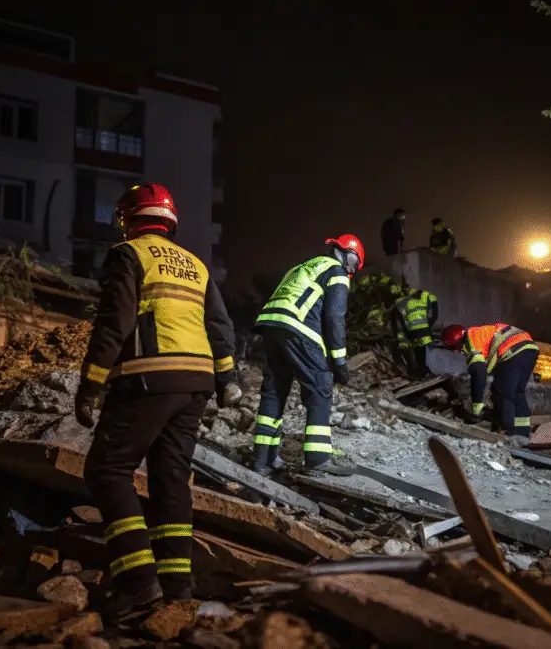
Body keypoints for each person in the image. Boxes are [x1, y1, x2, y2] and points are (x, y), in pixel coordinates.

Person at [73, 183, 242, 618]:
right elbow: (220, 325)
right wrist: (226, 379)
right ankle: (176, 586)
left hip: (149, 377)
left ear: (128, 219)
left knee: (108, 471)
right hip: (197, 382)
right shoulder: (195, 265)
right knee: (170, 480)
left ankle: (137, 583)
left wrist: (91, 384)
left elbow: (115, 322)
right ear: (169, 220)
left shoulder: (128, 255)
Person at [251, 234, 365, 477]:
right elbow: (334, 318)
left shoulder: (305, 265)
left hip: (271, 324)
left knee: (274, 390)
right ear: (347, 254)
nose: (353, 270)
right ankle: (317, 459)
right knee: (320, 385)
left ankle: (262, 460)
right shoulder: (336, 272)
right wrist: (339, 362)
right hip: (297, 326)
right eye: (355, 263)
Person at [440, 323, 539, 444]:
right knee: (517, 392)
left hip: (513, 349)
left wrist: (477, 406)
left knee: (503, 391)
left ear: (458, 340)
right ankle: (522, 434)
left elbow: (479, 374)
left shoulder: (472, 344)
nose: (456, 351)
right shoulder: (477, 334)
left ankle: (509, 432)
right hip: (529, 349)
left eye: (453, 347)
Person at [391, 288, 439, 377]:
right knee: (421, 350)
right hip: (422, 330)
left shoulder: (402, 304)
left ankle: (421, 371)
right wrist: (430, 322)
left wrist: (405, 335)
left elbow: (401, 324)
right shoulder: (421, 300)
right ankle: (423, 370)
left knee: (418, 351)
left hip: (414, 332)